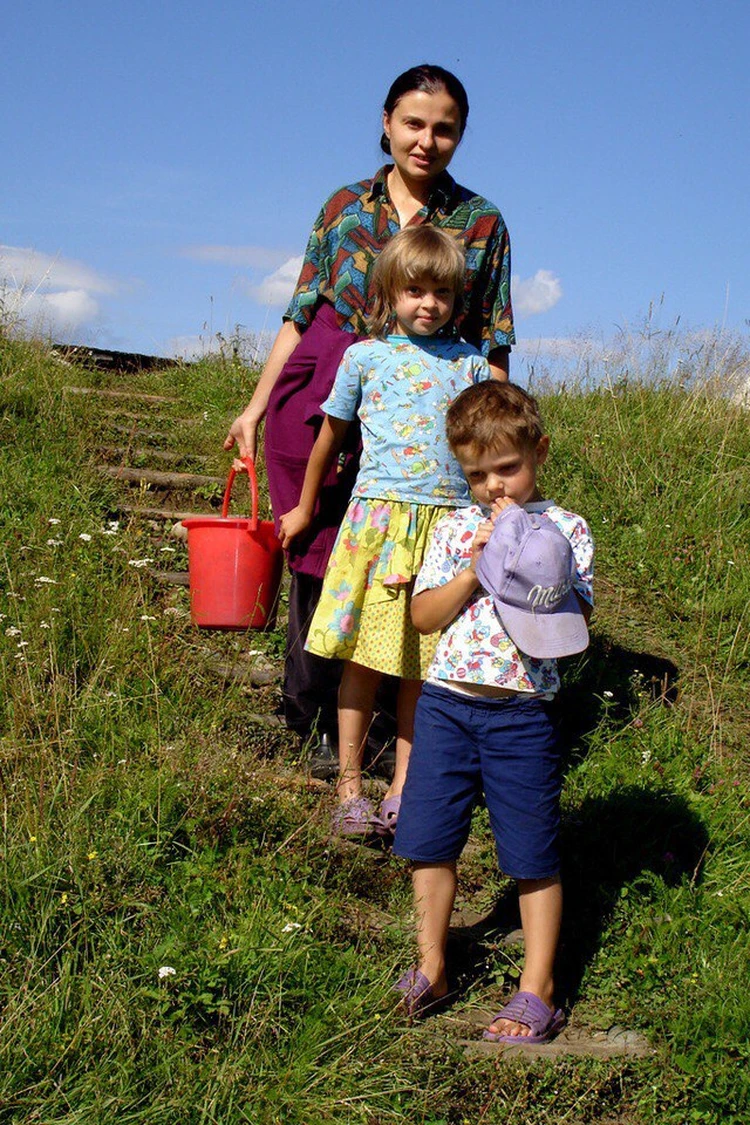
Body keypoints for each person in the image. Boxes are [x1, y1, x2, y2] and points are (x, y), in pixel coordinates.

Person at [223, 64, 515, 769]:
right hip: (326, 381)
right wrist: (257, 405)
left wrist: (494, 444)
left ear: (459, 136)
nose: (426, 140)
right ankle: (311, 709)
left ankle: (388, 731)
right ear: (386, 123)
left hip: (425, 417)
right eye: (413, 123)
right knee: (321, 545)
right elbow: (300, 313)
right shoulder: (343, 207)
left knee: (411, 561)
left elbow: (494, 338)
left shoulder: (480, 222)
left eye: (444, 128)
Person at [392, 381, 594, 1045]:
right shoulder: (454, 527)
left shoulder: (565, 530)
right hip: (447, 705)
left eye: (507, 468)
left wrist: (523, 554)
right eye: (477, 474)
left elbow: (578, 618)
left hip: (521, 714)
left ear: (538, 451)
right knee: (427, 838)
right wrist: (475, 569)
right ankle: (432, 965)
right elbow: (422, 618)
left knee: (532, 851)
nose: (493, 487)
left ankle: (537, 987)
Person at [278, 226, 492, 837]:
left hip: (445, 532)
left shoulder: (472, 364)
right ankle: (348, 787)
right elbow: (330, 439)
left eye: (442, 294)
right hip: (376, 525)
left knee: (421, 668)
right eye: (415, 290)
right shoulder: (364, 358)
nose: (428, 304)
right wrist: (303, 506)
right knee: (363, 661)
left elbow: (486, 449)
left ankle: (404, 787)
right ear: (390, 291)